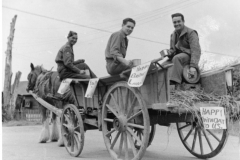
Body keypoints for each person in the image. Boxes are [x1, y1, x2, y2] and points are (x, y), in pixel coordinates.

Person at [168, 13, 201, 85]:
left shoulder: (191, 33)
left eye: (179, 21)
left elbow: (196, 51)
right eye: (174, 22)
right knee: (164, 65)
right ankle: (164, 83)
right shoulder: (173, 35)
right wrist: (168, 53)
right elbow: (172, 50)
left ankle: (174, 82)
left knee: (177, 58)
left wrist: (193, 66)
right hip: (177, 58)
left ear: (183, 21)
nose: (177, 24)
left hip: (188, 57)